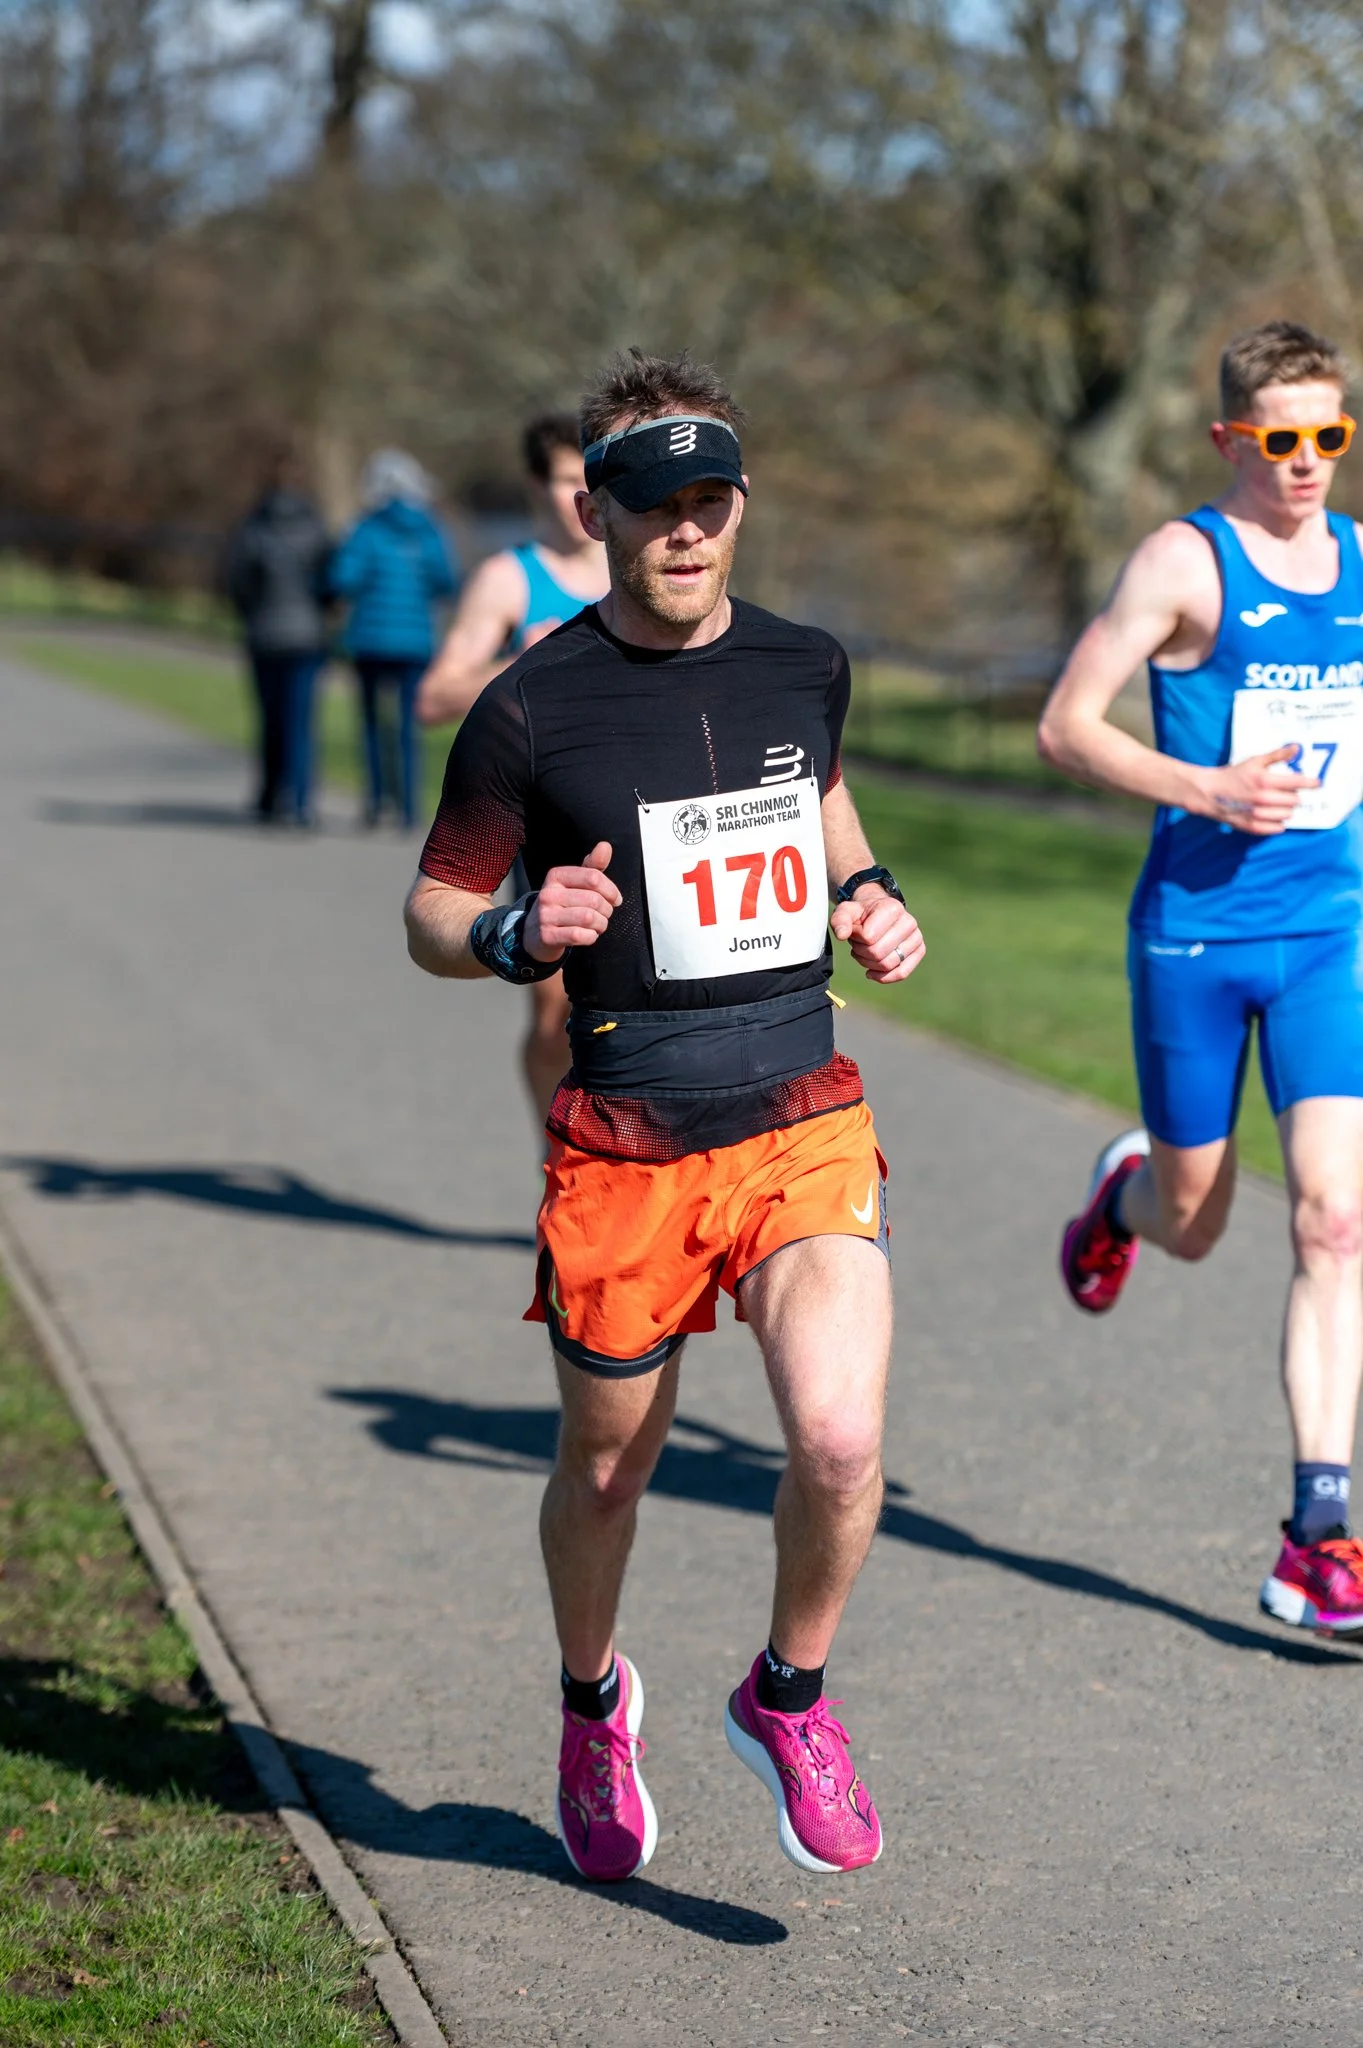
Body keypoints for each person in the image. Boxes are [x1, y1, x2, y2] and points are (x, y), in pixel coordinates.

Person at [405, 346, 925, 1883]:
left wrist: (866, 892)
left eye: (709, 500)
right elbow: (430, 913)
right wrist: (516, 931)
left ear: (739, 505)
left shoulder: (803, 664)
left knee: (837, 1438)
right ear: (594, 510)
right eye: (651, 503)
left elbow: (817, 797)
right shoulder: (527, 707)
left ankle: (788, 1697)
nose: (683, 530)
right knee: (607, 1470)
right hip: (628, 1136)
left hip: (798, 1110)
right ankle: (590, 1705)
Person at [1039, 319, 1363, 1636]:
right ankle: (1122, 1199)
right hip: (1194, 935)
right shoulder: (1184, 562)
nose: (1306, 461)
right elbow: (1063, 725)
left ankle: (1317, 1536)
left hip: (1328, 934)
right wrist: (1204, 787)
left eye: (1328, 435)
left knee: (1334, 1221)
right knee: (1195, 1221)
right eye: (1279, 439)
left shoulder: (1358, 561)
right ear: (1230, 438)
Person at [416, 414, 608, 1126]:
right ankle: (556, 1147)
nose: (581, 494)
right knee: (556, 1011)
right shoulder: (508, 579)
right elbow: (434, 698)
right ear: (535, 485)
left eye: (592, 476)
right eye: (564, 480)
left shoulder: (640, 568)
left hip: (641, 802)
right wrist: (524, 660)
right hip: (547, 818)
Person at [329, 450, 459, 829]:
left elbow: (343, 579)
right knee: (407, 726)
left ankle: (375, 803)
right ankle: (409, 809)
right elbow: (446, 581)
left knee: (372, 723)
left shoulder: (365, 528)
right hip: (415, 643)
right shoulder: (428, 529)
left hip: (369, 641)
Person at [225, 450, 331, 825]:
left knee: (271, 719)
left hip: (265, 635)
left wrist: (252, 614)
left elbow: (238, 582)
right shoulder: (316, 528)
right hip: (307, 636)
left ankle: (271, 797)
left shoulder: (254, 527)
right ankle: (300, 802)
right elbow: (332, 581)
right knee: (301, 721)